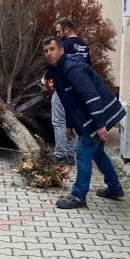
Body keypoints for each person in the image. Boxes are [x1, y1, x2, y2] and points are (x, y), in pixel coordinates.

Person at [43, 37, 126, 209]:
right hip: (91, 117)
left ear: (61, 50)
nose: (49, 54)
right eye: (46, 51)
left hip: (102, 113)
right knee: (97, 153)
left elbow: (91, 95)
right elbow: (68, 101)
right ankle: (115, 189)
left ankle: (78, 196)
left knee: (82, 153)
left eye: (52, 49)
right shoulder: (58, 71)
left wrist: (100, 124)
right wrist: (69, 125)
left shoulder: (73, 69)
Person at [47, 17, 91, 165]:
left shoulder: (64, 45)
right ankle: (70, 155)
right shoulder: (84, 46)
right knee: (73, 119)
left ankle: (59, 154)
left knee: (59, 120)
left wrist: (46, 80)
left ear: (67, 29)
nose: (57, 34)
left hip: (65, 87)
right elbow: (88, 68)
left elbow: (56, 66)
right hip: (80, 89)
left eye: (59, 31)